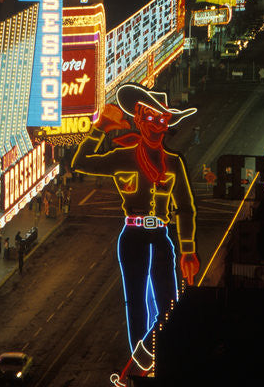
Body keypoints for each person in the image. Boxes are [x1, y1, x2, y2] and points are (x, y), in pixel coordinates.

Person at [72, 83, 199, 386]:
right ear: (139, 119)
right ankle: (141, 372)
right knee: (136, 304)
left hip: (162, 238)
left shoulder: (174, 163)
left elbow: (185, 208)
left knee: (169, 305)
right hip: (132, 237)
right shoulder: (123, 157)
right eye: (151, 117)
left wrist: (188, 249)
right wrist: (101, 128)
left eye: (163, 119)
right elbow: (80, 162)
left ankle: (139, 364)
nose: (158, 125)